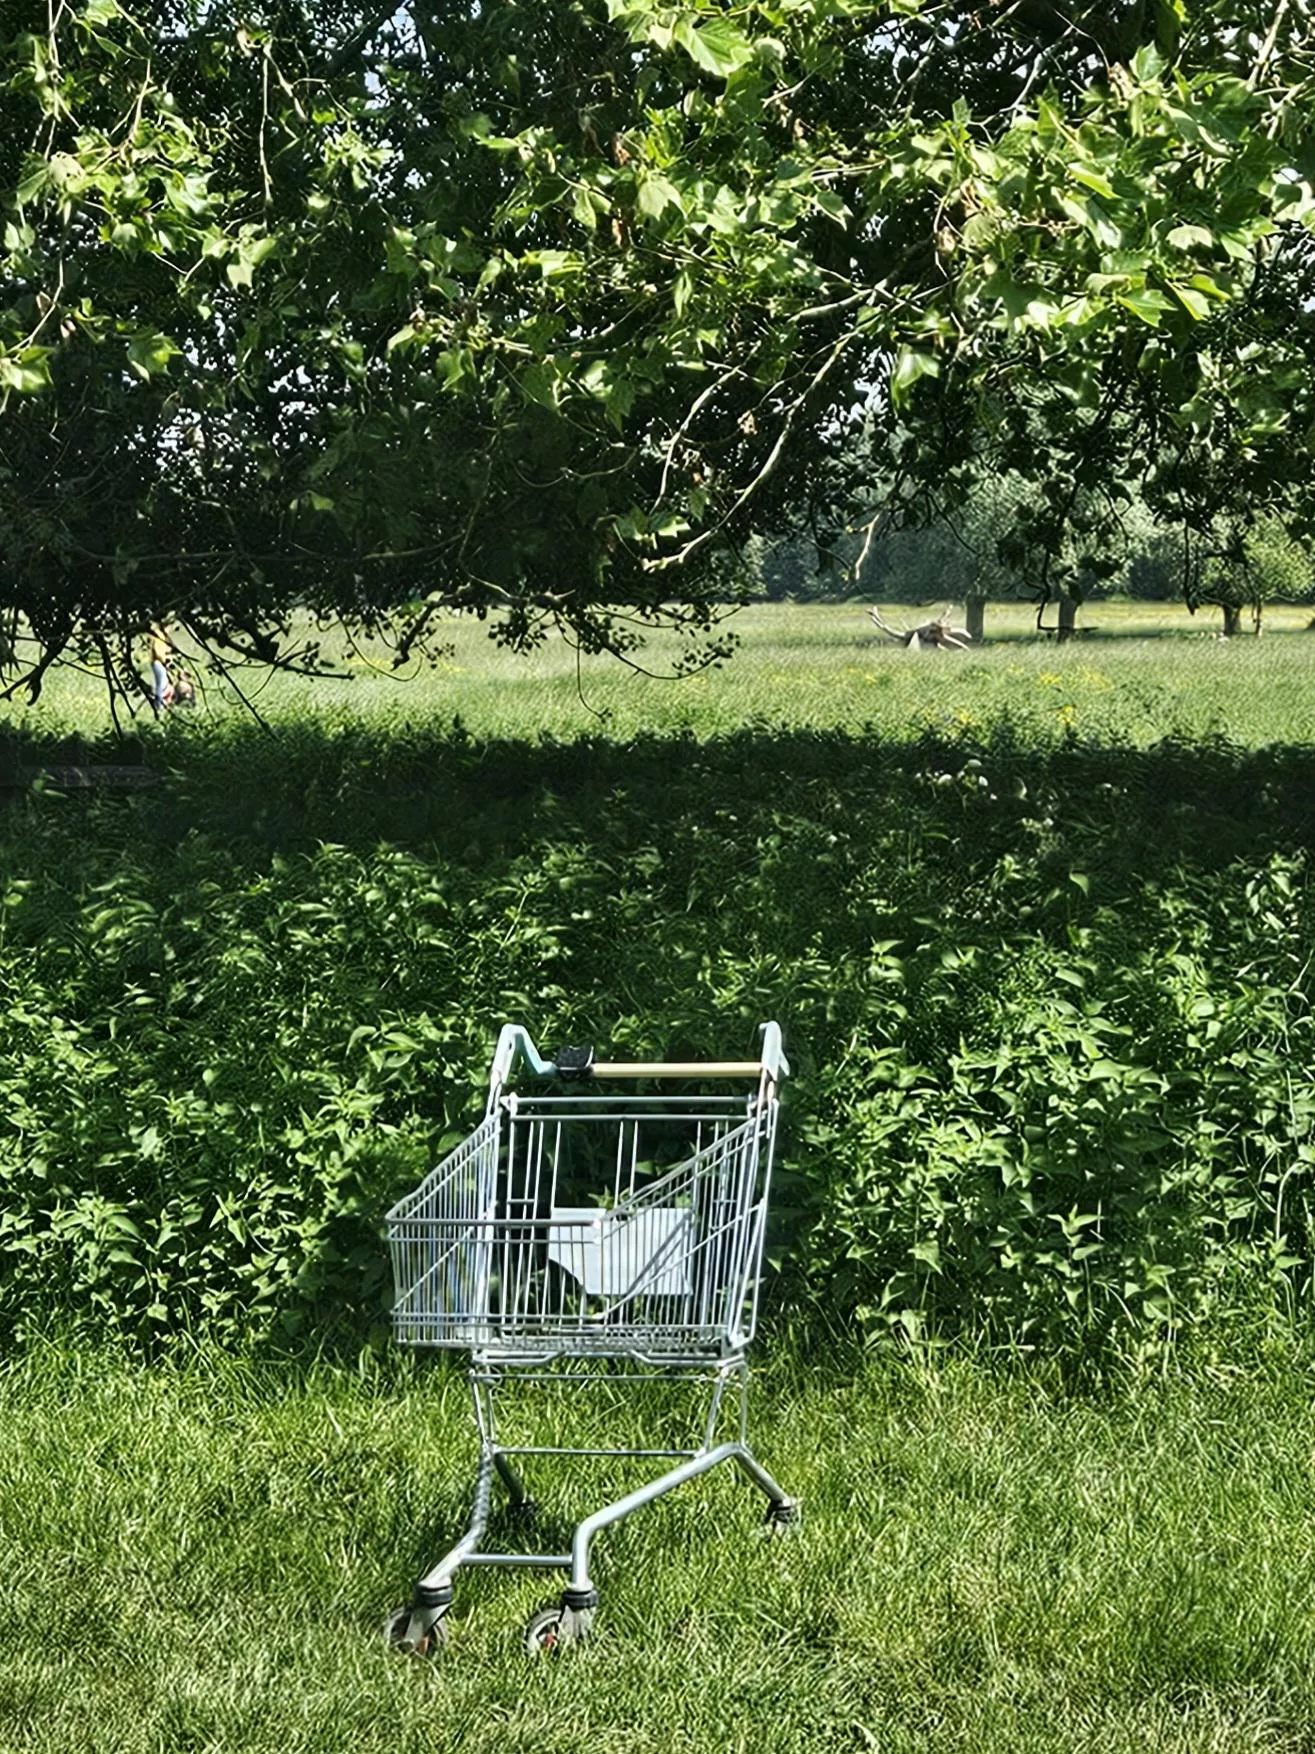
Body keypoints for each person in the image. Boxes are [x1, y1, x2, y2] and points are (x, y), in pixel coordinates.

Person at [148, 623, 172, 714]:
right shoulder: (159, 636)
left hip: (157, 662)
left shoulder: (160, 635)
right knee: (162, 684)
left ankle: (160, 704)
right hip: (158, 662)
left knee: (161, 683)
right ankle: (159, 704)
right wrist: (165, 659)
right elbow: (158, 652)